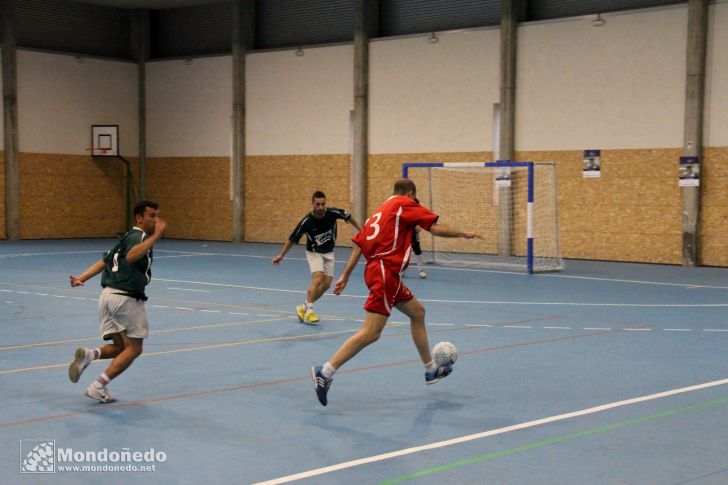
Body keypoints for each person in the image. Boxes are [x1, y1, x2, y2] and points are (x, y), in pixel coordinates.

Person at [311, 179, 481, 406]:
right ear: (410, 194)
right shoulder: (404, 204)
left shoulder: (379, 212)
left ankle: (431, 370)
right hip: (384, 272)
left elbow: (359, 243)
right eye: (414, 199)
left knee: (418, 312)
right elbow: (435, 227)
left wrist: (346, 275)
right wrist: (463, 234)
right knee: (372, 332)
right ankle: (326, 371)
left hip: (384, 273)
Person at [67, 200, 166, 403]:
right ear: (139, 218)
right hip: (126, 299)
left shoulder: (127, 236)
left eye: (157, 215)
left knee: (121, 347)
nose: (156, 219)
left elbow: (104, 261)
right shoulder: (139, 237)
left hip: (107, 297)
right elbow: (131, 257)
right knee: (135, 349)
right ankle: (98, 386)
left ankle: (89, 355)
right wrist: (156, 236)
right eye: (152, 216)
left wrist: (81, 278)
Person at [273, 191, 361, 324]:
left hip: (329, 253)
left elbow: (348, 216)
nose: (320, 207)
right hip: (314, 252)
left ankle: (303, 307)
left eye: (323, 204)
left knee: (326, 285)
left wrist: (362, 230)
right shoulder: (306, 222)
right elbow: (292, 238)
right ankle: (309, 311)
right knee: (318, 278)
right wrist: (281, 255)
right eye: (317, 204)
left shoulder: (333, 213)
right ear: (312, 204)